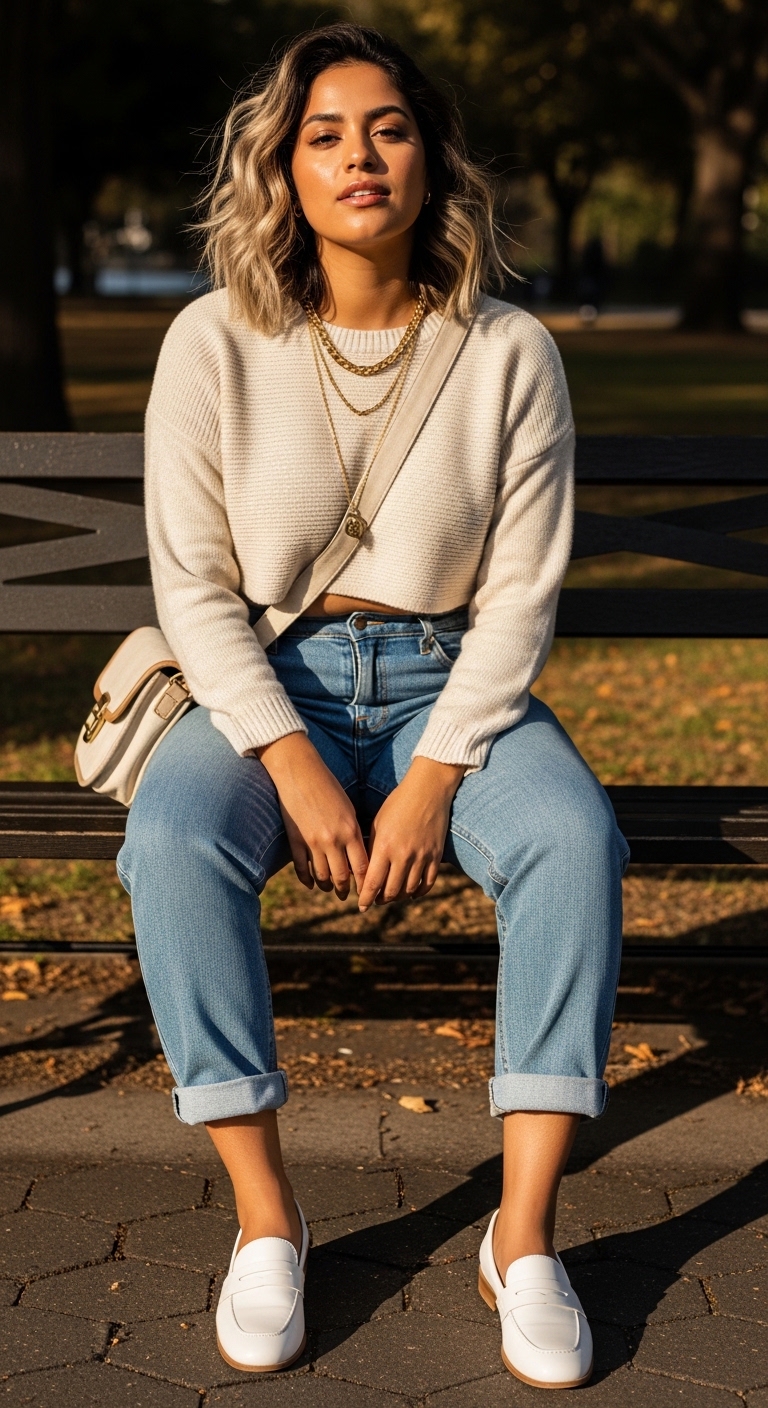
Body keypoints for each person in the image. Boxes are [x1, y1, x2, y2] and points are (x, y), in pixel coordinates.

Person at [117, 22, 628, 1388]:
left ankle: (521, 1239)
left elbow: (521, 594)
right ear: (282, 166)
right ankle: (268, 1222)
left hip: (445, 677)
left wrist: (434, 775)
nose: (360, 156)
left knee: (573, 844)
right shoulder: (209, 343)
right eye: (327, 133)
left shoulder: (509, 349)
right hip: (265, 682)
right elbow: (194, 581)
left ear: (431, 157)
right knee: (170, 845)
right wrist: (289, 762)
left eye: (388, 128)